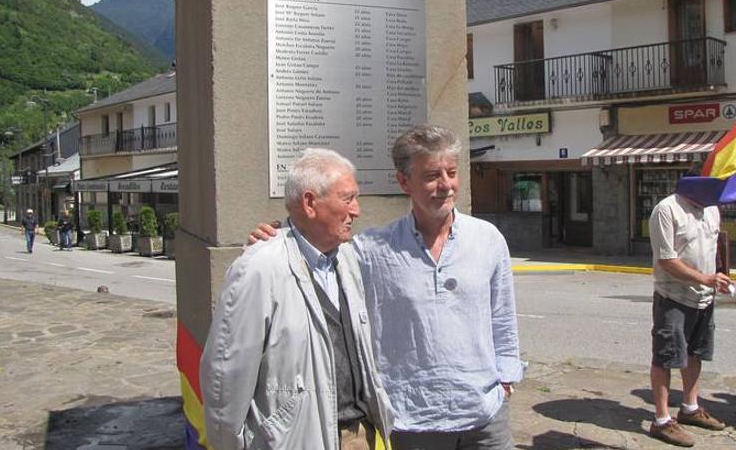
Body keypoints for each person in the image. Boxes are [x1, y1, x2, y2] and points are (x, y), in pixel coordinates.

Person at [251, 125, 524, 450]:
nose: (446, 185)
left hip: (485, 415)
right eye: (432, 175)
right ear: (404, 182)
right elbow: (317, 251)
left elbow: (502, 317)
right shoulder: (374, 250)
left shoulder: (488, 239)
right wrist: (276, 238)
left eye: (451, 172)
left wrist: (506, 379)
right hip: (414, 421)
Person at [200, 148, 393, 450]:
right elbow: (226, 376)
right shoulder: (259, 269)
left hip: (360, 435)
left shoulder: (348, 258)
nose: (356, 211)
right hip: (297, 441)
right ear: (309, 203)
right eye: (347, 199)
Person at [647, 184, 733, 447]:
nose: (717, 194)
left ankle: (690, 408)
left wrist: (720, 275)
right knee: (665, 356)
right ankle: (661, 421)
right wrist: (705, 278)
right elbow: (667, 259)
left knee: (696, 353)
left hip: (704, 297)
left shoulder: (712, 210)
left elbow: (715, 246)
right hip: (673, 296)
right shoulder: (667, 209)